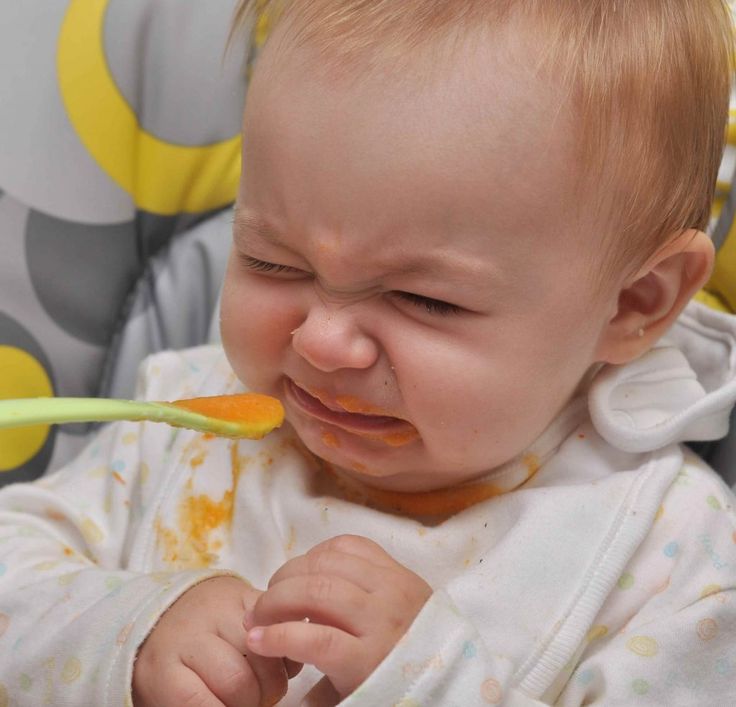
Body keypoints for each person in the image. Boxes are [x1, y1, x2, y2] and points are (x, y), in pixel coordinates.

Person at [1, 0, 736, 704]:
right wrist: (130, 631)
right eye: (273, 260)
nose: (320, 342)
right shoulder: (180, 424)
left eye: (428, 300)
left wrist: (430, 682)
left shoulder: (672, 560)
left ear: (635, 302)